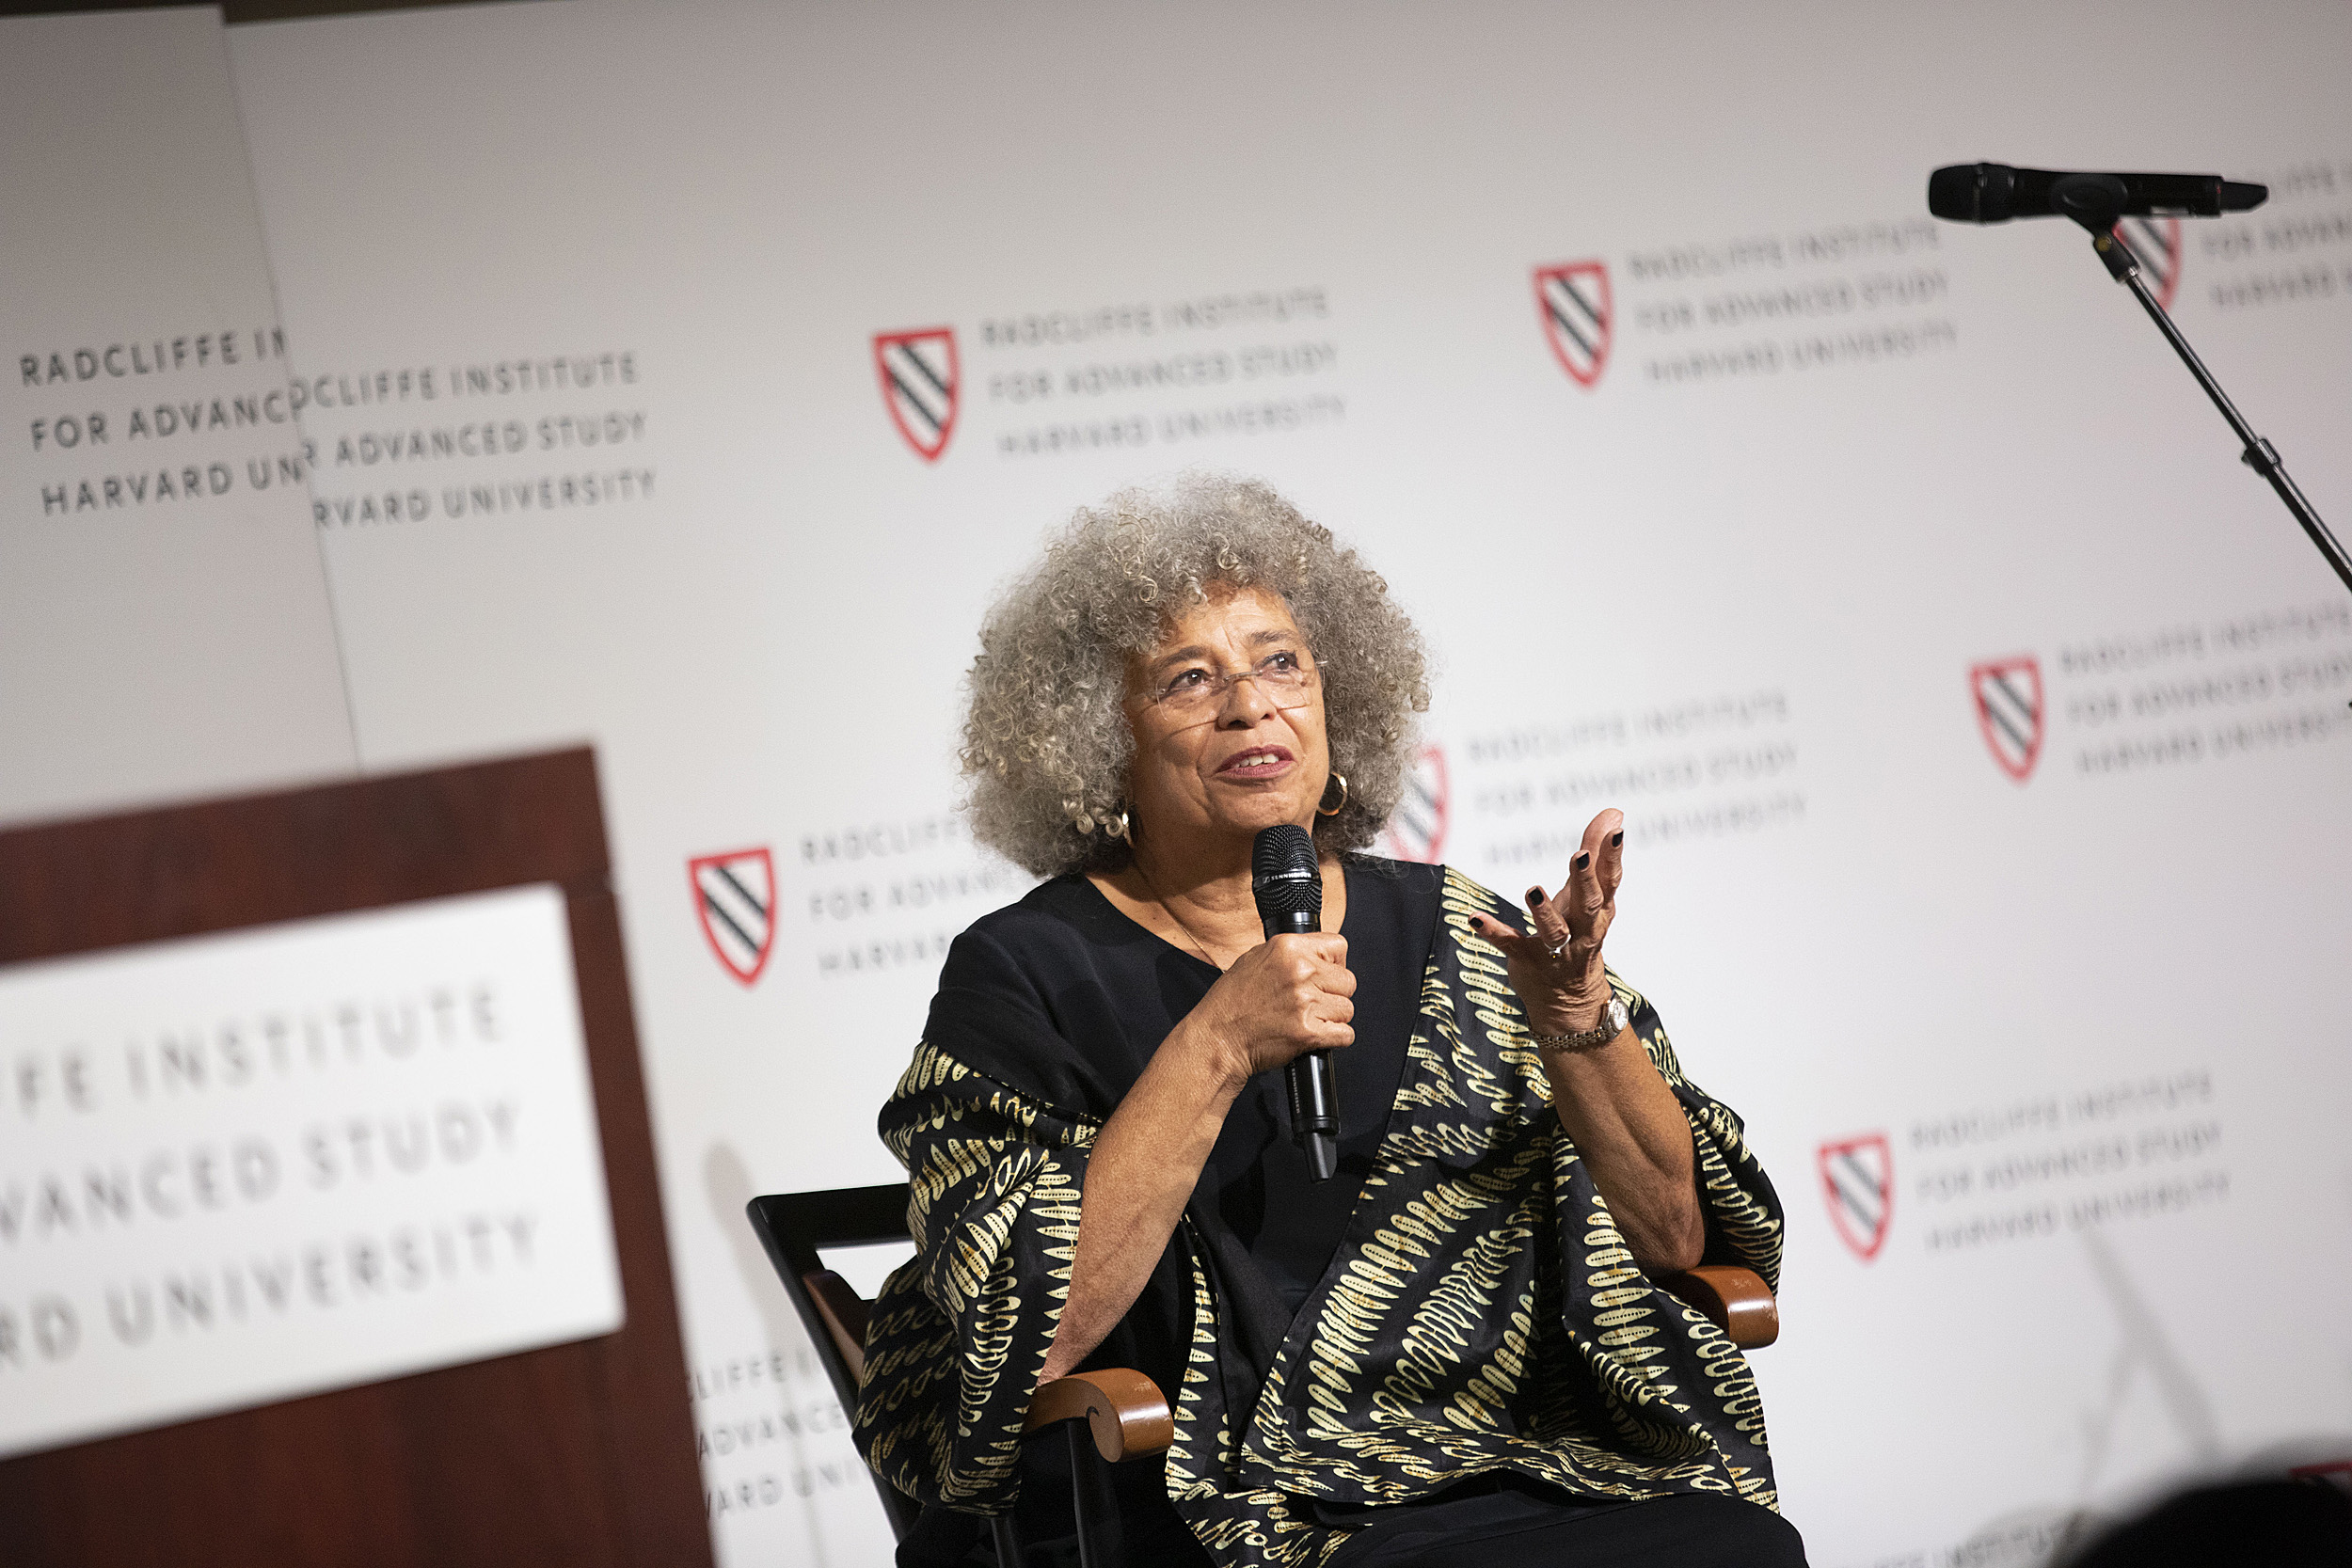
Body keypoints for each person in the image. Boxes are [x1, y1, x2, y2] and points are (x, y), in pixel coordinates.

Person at [854, 476, 1802, 1567]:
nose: (1250, 705)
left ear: (1333, 701)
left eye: (1279, 662)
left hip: (1518, 1457)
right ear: (1098, 744)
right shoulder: (1023, 974)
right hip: (1204, 1501)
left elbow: (1684, 1240)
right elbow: (1030, 1332)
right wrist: (1216, 1044)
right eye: (1186, 679)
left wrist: (1582, 1019)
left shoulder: (1466, 926)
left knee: (1733, 1546)